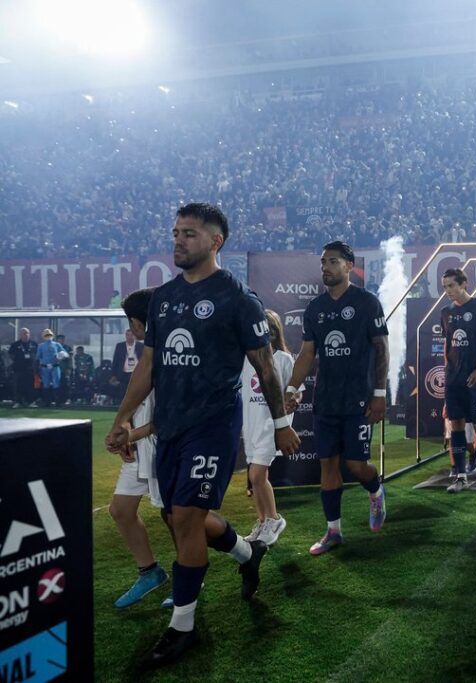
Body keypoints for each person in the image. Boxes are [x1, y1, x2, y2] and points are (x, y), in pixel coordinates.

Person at [105, 202, 300, 667]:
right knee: (176, 518)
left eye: (189, 233)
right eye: (175, 232)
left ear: (216, 242)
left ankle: (182, 627)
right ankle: (246, 552)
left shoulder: (237, 298)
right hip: (169, 428)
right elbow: (148, 365)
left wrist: (280, 424)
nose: (178, 240)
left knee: (188, 519)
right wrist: (123, 419)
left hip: (212, 427)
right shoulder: (166, 298)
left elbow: (266, 368)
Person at [284, 241, 389, 555]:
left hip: (358, 399)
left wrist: (379, 395)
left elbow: (382, 349)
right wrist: (291, 388)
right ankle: (333, 532)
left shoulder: (367, 302)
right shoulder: (316, 309)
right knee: (327, 465)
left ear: (348, 265)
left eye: (332, 261)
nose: (325, 267)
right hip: (326, 401)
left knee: (357, 466)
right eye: (322, 262)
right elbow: (306, 353)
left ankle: (376, 491)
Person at [107, 288, 170, 609]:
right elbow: (137, 400)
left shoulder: (171, 353)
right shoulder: (148, 352)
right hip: (141, 446)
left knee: (179, 517)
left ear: (137, 321)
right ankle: (150, 572)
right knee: (120, 510)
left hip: (165, 447)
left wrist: (127, 437)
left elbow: (169, 418)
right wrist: (127, 428)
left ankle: (239, 551)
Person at [241, 309, 300, 546]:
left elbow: (297, 391)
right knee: (255, 478)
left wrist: (294, 400)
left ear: (275, 332)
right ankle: (263, 521)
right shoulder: (244, 358)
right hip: (251, 424)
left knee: (257, 474)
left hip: (271, 425)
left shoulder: (284, 360)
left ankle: (274, 519)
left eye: (270, 329)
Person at [438, 267, 476, 493]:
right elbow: (447, 344)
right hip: (454, 380)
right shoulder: (446, 312)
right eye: (445, 287)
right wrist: (447, 371)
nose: (448, 291)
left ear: (464, 284)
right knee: (457, 426)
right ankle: (461, 476)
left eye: (451, 286)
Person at [112, 328, 144, 403]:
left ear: (135, 336)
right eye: (128, 335)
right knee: (123, 392)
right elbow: (115, 361)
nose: (129, 337)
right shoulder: (120, 346)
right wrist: (114, 375)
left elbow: (144, 360)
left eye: (131, 335)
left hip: (136, 373)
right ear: (125, 336)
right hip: (123, 374)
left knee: (136, 391)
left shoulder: (140, 346)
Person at [36, 329, 66, 407]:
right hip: (45, 367)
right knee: (46, 384)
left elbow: (65, 354)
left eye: (49, 335)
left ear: (52, 336)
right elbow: (37, 357)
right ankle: (47, 402)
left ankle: (57, 402)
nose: (48, 337)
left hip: (55, 366)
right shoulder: (41, 346)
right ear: (43, 337)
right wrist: (37, 368)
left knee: (56, 383)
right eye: (46, 335)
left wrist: (61, 355)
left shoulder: (57, 344)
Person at [9, 327, 37, 407]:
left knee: (30, 385)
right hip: (18, 369)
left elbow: (37, 356)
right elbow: (11, 355)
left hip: (30, 369)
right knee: (18, 386)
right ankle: (18, 402)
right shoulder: (15, 345)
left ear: (29, 334)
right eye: (23, 333)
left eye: (27, 333)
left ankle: (31, 402)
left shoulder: (34, 344)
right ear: (20, 335)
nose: (25, 335)